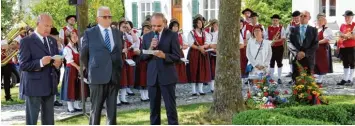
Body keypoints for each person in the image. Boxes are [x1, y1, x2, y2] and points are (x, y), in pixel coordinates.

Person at [80, 6, 123, 125]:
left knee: (112, 110)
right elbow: (84, 55)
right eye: (105, 17)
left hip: (114, 76)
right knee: (96, 109)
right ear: (98, 18)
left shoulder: (117, 33)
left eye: (110, 16)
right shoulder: (89, 33)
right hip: (97, 77)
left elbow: (118, 52)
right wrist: (92, 68)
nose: (108, 19)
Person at [19, 13, 62, 125]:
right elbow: (23, 65)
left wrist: (58, 64)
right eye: (46, 25)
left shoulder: (52, 41)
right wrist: (40, 62)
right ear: (38, 24)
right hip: (33, 87)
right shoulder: (26, 41)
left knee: (49, 121)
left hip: (49, 85)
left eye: (50, 26)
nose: (48, 28)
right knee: (32, 121)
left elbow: (55, 60)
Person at [140, 12, 180, 125]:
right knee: (154, 111)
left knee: (171, 110)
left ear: (164, 23)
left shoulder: (172, 35)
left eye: (158, 26)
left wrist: (164, 56)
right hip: (153, 78)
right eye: (153, 26)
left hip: (167, 77)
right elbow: (142, 57)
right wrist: (150, 47)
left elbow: (177, 57)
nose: (155, 28)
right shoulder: (147, 36)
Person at [61, 31, 89, 113]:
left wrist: (83, 66)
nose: (76, 38)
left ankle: (76, 105)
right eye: (73, 37)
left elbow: (83, 57)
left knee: (79, 86)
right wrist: (78, 67)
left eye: (76, 36)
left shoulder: (78, 47)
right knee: (71, 87)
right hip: (72, 70)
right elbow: (69, 61)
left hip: (79, 69)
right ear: (69, 38)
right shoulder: (67, 48)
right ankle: (70, 106)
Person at [288, 11, 318, 83]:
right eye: (301, 16)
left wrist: (305, 53)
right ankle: (297, 93)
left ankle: (309, 94)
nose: (302, 18)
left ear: (309, 18)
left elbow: (316, 44)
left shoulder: (314, 30)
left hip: (308, 58)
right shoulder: (293, 29)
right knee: (297, 80)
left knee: (309, 81)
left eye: (305, 16)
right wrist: (296, 53)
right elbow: (289, 42)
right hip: (296, 58)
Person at [187, 14, 212, 96]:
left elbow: (208, 43)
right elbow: (190, 44)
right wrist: (199, 48)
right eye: (198, 23)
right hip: (194, 54)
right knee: (194, 70)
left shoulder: (205, 33)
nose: (200, 24)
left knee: (202, 71)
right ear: (195, 24)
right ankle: (194, 90)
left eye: (201, 23)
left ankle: (201, 90)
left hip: (202, 54)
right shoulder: (191, 33)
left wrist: (203, 47)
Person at [117, 20, 134, 105]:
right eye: (123, 27)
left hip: (124, 59)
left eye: (125, 27)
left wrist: (130, 30)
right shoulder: (115, 35)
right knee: (117, 80)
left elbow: (135, 41)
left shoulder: (126, 35)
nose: (124, 29)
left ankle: (123, 98)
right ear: (119, 27)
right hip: (116, 60)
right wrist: (121, 50)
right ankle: (116, 99)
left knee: (124, 79)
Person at [314, 13, 334, 87]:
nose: (319, 21)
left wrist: (317, 42)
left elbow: (326, 39)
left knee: (322, 64)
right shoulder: (315, 29)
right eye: (319, 20)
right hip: (315, 49)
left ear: (324, 21)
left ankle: (319, 81)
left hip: (322, 49)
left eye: (321, 20)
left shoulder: (327, 29)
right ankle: (315, 80)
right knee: (315, 64)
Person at [266, 14, 286, 84]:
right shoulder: (268, 28)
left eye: (276, 20)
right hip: (271, 47)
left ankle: (279, 77)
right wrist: (270, 42)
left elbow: (283, 38)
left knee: (279, 62)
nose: (275, 22)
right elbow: (266, 38)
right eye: (274, 20)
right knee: (271, 62)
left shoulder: (281, 28)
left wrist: (275, 41)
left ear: (278, 21)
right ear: (272, 21)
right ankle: (271, 77)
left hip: (279, 47)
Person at [337, 10, 355, 85]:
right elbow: (339, 35)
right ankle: (345, 78)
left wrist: (345, 36)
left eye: (348, 17)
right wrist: (346, 36)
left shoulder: (354, 25)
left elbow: (353, 36)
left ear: (352, 17)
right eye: (345, 17)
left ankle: (350, 79)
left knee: (352, 63)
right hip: (343, 47)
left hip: (351, 47)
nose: (346, 18)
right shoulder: (342, 25)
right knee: (345, 63)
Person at [135, 21, 151, 101]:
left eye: (148, 30)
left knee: (147, 78)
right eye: (145, 30)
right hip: (141, 61)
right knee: (142, 78)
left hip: (148, 61)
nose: (146, 31)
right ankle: (142, 95)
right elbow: (136, 50)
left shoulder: (151, 40)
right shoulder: (140, 39)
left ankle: (147, 95)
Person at [168, 19, 189, 85]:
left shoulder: (180, 35)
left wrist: (181, 47)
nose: (175, 28)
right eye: (174, 26)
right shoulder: (168, 35)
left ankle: (175, 87)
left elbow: (186, 45)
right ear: (171, 27)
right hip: (171, 53)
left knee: (178, 72)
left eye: (177, 26)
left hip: (179, 53)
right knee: (171, 71)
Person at [49, 27, 64, 106]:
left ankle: (54, 99)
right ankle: (52, 100)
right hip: (52, 63)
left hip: (58, 62)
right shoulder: (49, 41)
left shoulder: (56, 41)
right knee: (53, 82)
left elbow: (60, 50)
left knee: (56, 81)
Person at [285, 10, 301, 79]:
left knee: (300, 61)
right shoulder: (290, 24)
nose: (296, 19)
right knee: (291, 60)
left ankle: (300, 75)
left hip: (300, 45)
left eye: (297, 18)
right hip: (292, 45)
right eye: (294, 18)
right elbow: (286, 34)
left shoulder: (303, 24)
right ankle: (292, 75)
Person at [126, 20, 139, 96]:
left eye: (127, 26)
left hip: (132, 53)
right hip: (126, 53)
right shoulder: (122, 33)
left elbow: (136, 42)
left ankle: (129, 86)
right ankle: (125, 87)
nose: (126, 28)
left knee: (130, 71)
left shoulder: (133, 33)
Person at [206, 19, 218, 92]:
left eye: (217, 25)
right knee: (212, 70)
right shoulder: (209, 34)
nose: (216, 27)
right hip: (211, 53)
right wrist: (212, 47)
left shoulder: (220, 33)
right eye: (214, 26)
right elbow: (208, 43)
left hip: (218, 53)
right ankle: (212, 87)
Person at [240, 18, 251, 84]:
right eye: (239, 24)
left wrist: (246, 42)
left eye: (241, 24)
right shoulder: (235, 32)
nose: (240, 25)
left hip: (244, 50)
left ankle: (245, 79)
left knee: (245, 63)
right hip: (238, 50)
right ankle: (240, 79)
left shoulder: (246, 31)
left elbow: (250, 39)